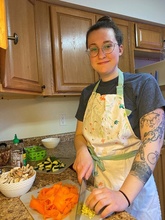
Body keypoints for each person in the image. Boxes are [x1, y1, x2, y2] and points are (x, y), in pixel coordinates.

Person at [73, 16, 165, 220]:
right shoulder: (87, 93)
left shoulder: (143, 84)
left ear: (120, 49)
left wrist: (123, 196)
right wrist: (82, 150)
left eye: (108, 46)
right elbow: (79, 134)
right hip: (99, 189)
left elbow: (152, 144)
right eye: (94, 48)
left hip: (134, 194)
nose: (101, 54)